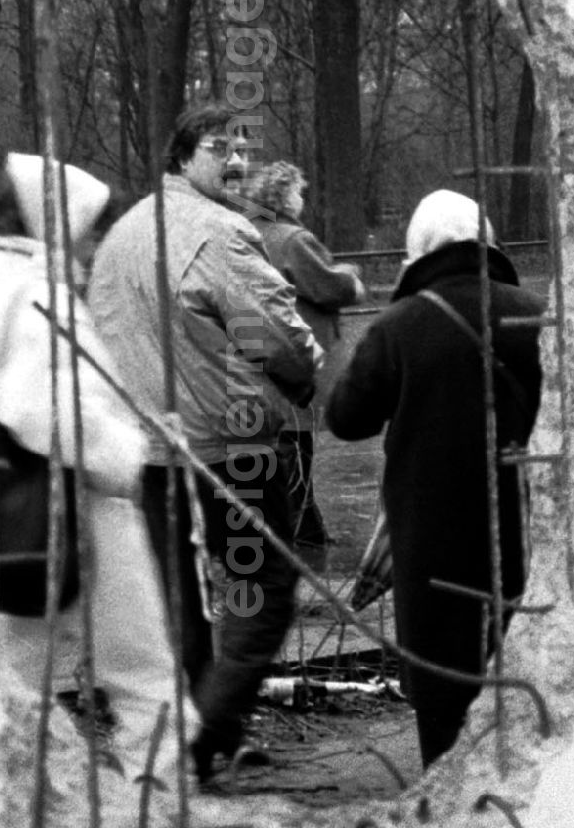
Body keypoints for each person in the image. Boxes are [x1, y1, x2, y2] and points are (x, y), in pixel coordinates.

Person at [0, 152, 187, 797]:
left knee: (15, 683)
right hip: (79, 511)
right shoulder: (37, 297)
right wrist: (124, 452)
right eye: (87, 225)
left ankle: (28, 810)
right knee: (145, 678)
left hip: (9, 515)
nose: (93, 239)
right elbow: (43, 409)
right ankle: (156, 819)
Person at [88, 103, 323, 784]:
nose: (239, 162)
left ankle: (199, 738)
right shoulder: (219, 233)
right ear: (182, 157)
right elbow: (279, 337)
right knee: (262, 591)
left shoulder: (120, 238)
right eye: (221, 148)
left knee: (180, 605)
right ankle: (206, 733)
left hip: (145, 453)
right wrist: (305, 377)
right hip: (229, 449)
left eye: (245, 148)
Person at [325, 189, 543, 769]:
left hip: (430, 544)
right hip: (519, 534)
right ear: (489, 243)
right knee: (523, 687)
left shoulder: (400, 325)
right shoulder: (532, 312)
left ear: (416, 255)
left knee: (444, 702)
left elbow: (346, 418)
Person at [244, 160, 365, 555]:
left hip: (257, 355)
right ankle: (300, 532)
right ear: (282, 196)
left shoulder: (247, 233)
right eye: (298, 191)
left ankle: (305, 523)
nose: (302, 199)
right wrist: (350, 277)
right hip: (296, 353)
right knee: (296, 440)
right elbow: (328, 287)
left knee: (281, 441)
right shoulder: (293, 240)